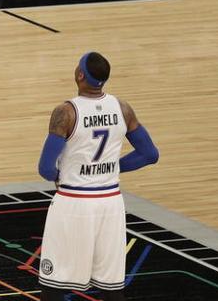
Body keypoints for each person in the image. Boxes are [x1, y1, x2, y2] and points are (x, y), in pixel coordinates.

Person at [37, 52, 159, 300]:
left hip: (74, 202)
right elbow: (150, 154)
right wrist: (112, 167)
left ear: (80, 75)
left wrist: (67, 173)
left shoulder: (66, 112)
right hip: (110, 204)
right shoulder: (122, 108)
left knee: (53, 284)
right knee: (111, 287)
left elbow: (46, 169)